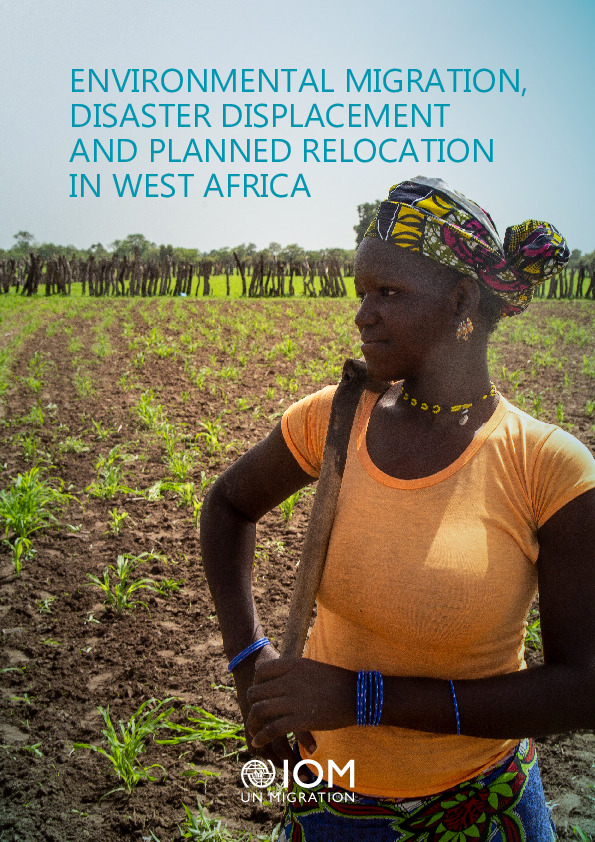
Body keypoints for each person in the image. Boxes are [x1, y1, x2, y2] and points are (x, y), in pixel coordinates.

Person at [200, 176, 595, 841]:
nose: (362, 315)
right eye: (361, 293)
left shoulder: (546, 465)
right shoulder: (334, 420)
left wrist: (362, 698)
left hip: (482, 808)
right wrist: (248, 664)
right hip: (331, 802)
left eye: (388, 293)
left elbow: (580, 688)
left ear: (460, 300)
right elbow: (227, 505)